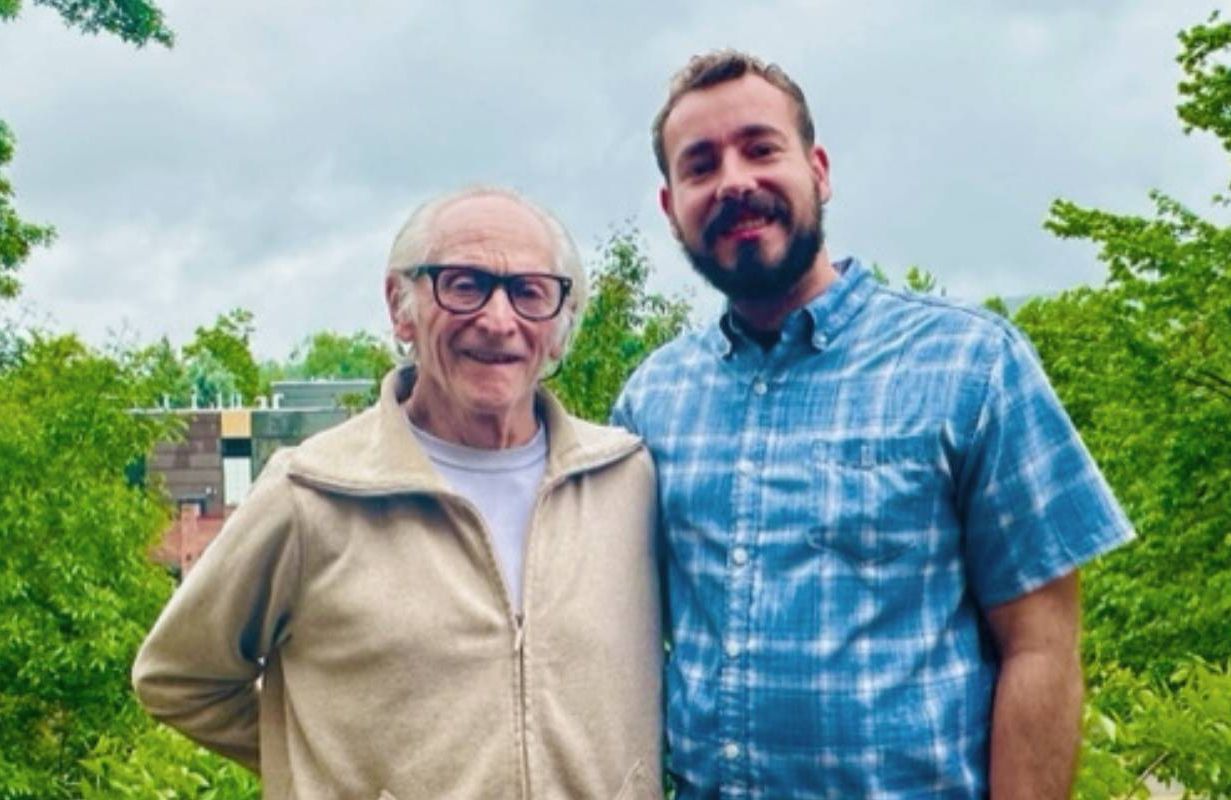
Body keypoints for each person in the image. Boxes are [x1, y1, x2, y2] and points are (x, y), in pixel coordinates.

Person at [611, 51, 1134, 798]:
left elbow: (1042, 649)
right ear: (670, 209)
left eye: (760, 148)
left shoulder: (971, 366)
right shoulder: (651, 398)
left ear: (817, 170)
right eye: (699, 166)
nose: (732, 181)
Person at [134, 186, 664, 800]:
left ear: (560, 323)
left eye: (529, 292)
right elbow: (178, 676)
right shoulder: (312, 493)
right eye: (463, 285)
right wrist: (322, 764)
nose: (498, 320)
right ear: (400, 304)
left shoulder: (626, 479)